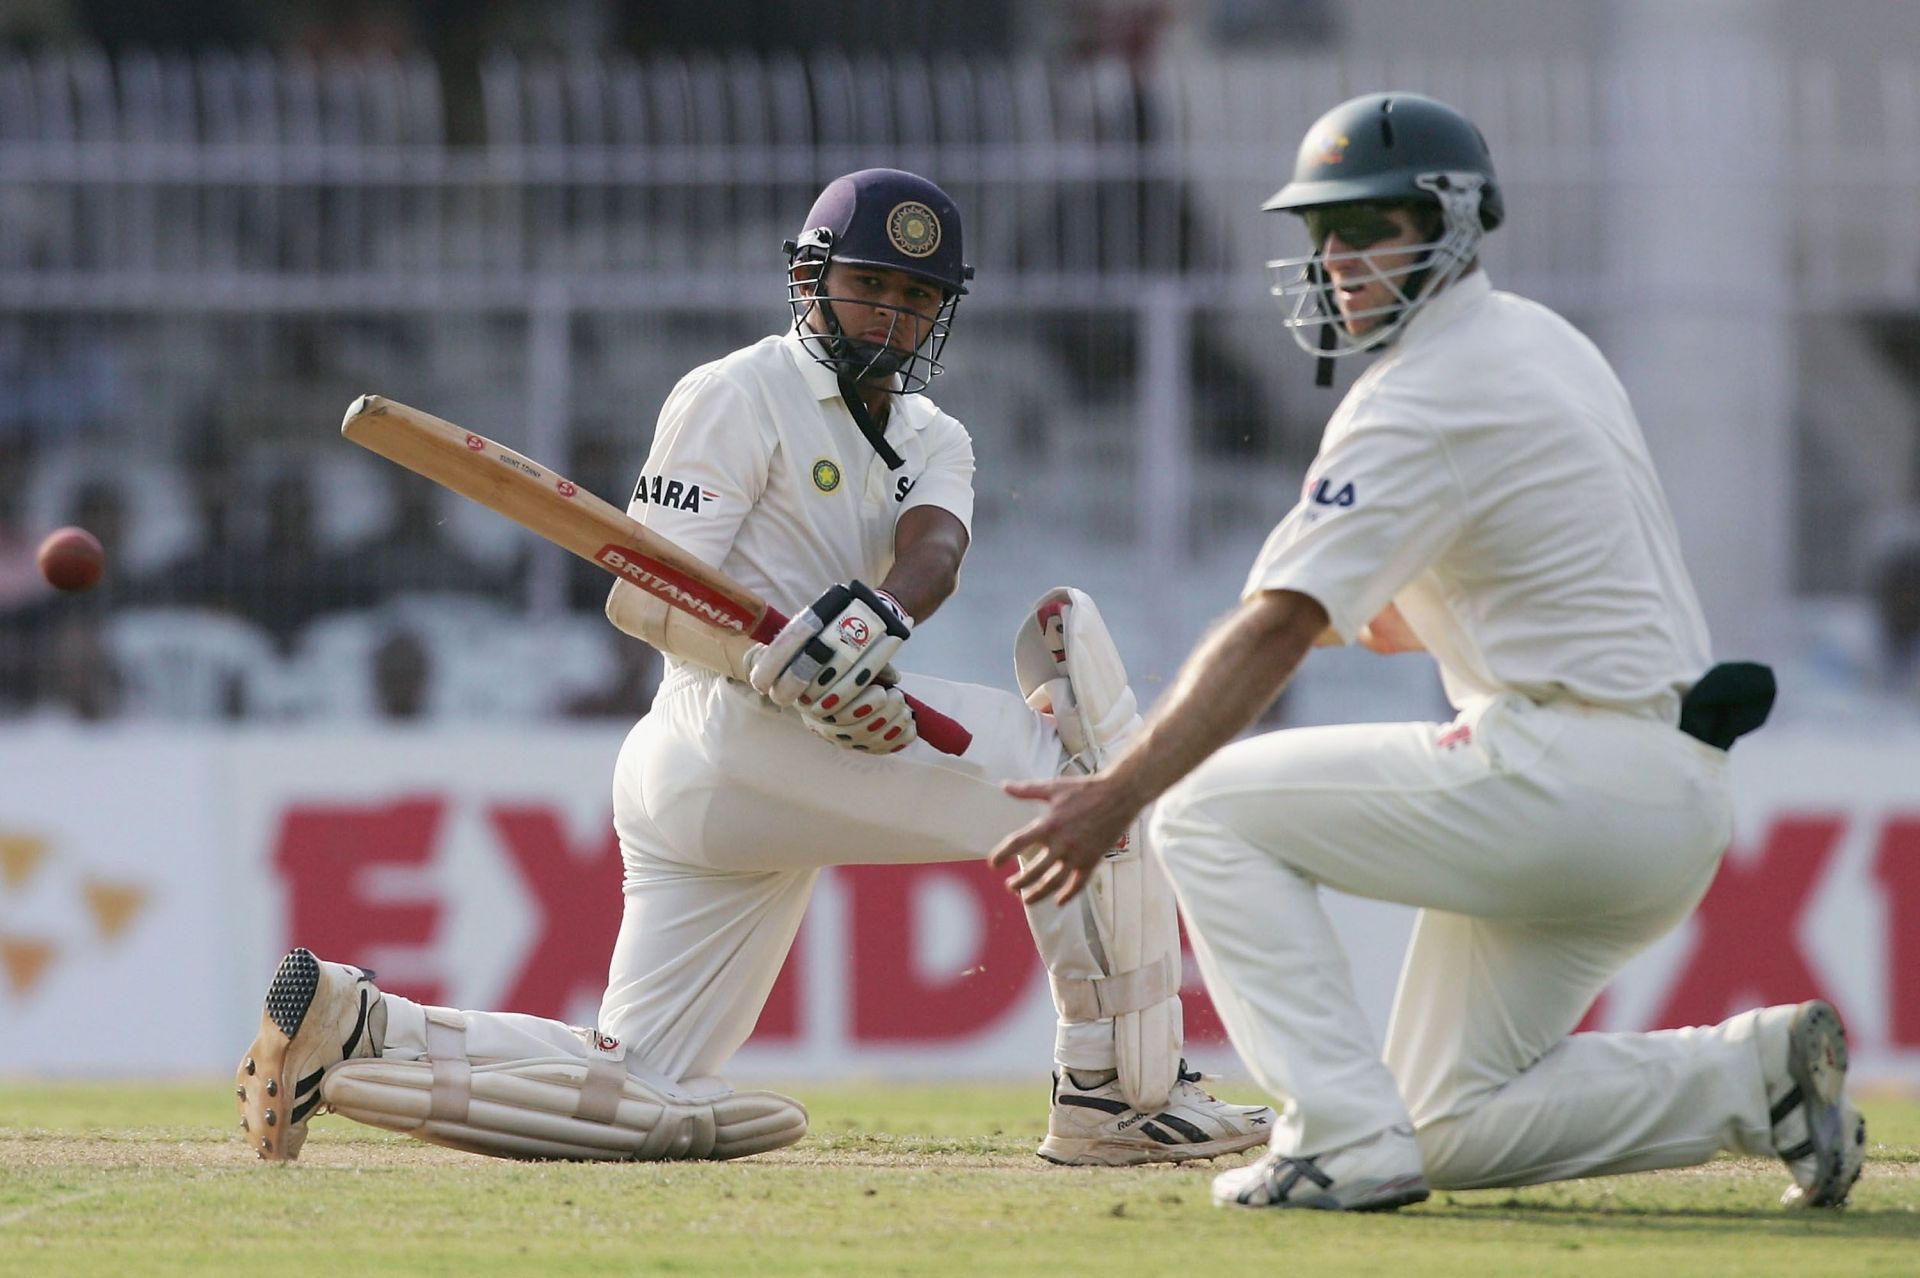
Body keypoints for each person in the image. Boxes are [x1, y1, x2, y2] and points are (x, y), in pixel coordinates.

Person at [235, 168, 1271, 1167]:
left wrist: (869, 627)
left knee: (639, 1076)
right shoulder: (734, 392)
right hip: (722, 733)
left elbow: (935, 553)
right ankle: (1115, 1094)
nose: (890, 316)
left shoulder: (933, 432)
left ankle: (358, 1021)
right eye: (870, 285)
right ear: (811, 279)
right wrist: (776, 667)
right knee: (1078, 780)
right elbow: (643, 592)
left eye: (917, 297)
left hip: (765, 775)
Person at [987, 93, 1866, 1213]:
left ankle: (1334, 1142)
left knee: (1203, 809)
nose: (1340, 261)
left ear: (1453, 222)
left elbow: (1279, 626)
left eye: (1371, 228)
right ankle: (1753, 1077)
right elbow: (1431, 595)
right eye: (1324, 235)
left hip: (1569, 773)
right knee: (1447, 1121)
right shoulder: (1542, 341)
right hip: (1663, 788)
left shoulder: (1424, 395)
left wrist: (1116, 792)